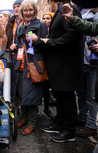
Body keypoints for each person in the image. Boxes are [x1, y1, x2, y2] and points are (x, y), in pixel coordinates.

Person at [40, 0, 84, 142]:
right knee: (59, 95)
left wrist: (50, 42)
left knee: (67, 96)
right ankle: (60, 122)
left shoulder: (68, 9)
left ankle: (70, 130)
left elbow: (74, 35)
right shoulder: (59, 10)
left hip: (67, 65)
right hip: (59, 65)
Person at [12, 0, 48, 135]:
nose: (28, 13)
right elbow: (17, 43)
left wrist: (36, 39)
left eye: (30, 10)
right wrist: (14, 46)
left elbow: (46, 46)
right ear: (21, 12)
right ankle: (24, 118)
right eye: (25, 10)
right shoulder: (20, 27)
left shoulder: (41, 25)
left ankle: (32, 122)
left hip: (33, 65)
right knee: (22, 94)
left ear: (35, 11)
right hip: (20, 65)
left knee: (32, 96)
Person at [63, 4, 98, 138]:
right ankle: (82, 117)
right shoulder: (83, 12)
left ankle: (91, 125)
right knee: (82, 93)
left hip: (94, 64)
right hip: (82, 61)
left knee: (92, 96)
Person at [41, 11, 55, 119]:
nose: (45, 20)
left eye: (48, 18)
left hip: (53, 62)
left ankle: (48, 108)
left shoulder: (55, 32)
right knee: (44, 87)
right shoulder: (41, 30)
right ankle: (45, 108)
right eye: (44, 18)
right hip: (42, 61)